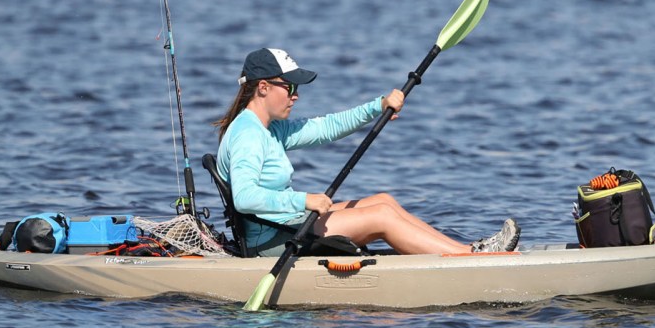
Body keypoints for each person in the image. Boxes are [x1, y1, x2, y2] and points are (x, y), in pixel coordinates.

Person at [214, 46, 520, 255]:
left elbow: (326, 127)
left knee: (384, 200)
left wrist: (379, 105)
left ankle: (467, 250)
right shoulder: (247, 135)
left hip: (284, 222)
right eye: (290, 88)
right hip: (273, 240)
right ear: (263, 87)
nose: (296, 96)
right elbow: (244, 198)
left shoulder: (269, 127)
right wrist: (304, 200)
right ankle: (468, 257)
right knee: (382, 218)